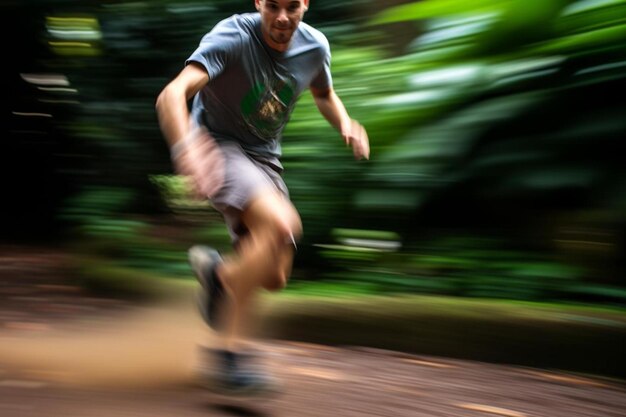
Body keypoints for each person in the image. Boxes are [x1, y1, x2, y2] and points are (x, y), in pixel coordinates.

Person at [155, 0, 369, 395]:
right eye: (273, 5)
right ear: (258, 3)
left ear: (306, 4)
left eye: (292, 6)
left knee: (273, 276)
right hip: (218, 146)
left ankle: (221, 277)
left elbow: (324, 93)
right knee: (282, 223)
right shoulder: (233, 36)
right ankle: (228, 355)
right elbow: (171, 95)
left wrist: (345, 121)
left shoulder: (315, 46)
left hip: (265, 159)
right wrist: (186, 147)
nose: (282, 17)